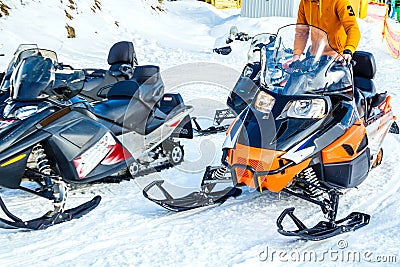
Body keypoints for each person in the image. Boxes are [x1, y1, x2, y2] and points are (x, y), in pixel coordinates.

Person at [284, 0, 361, 67]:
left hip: (337, 58)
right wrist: (296, 56)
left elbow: (352, 28)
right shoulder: (305, 2)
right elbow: (301, 32)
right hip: (315, 57)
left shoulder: (340, 1)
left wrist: (348, 51)